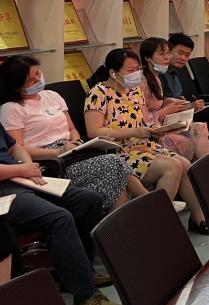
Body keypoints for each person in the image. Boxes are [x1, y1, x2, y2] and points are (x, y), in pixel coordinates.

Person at [0, 121, 123, 305]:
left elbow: (15, 147)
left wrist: (28, 166)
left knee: (89, 201)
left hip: (21, 179)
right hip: (4, 191)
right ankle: (85, 296)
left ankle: (81, 272)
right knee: (59, 218)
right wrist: (21, 170)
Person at [84, 49, 208, 234]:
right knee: (172, 167)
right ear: (113, 73)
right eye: (130, 70)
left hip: (143, 145)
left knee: (185, 165)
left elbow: (142, 121)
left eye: (137, 69)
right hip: (119, 151)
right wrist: (133, 131)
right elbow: (94, 131)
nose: (136, 75)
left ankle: (198, 218)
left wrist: (155, 130)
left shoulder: (135, 90)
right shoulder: (99, 93)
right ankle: (155, 223)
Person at [0, 55, 145, 211]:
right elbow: (17, 148)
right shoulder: (12, 108)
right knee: (114, 162)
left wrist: (77, 143)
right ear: (17, 86)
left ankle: (125, 221)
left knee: (116, 176)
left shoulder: (52, 96)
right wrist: (57, 152)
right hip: (49, 161)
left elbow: (71, 129)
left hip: (73, 151)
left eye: (38, 73)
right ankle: (149, 202)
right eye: (31, 80)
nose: (38, 79)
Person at [139, 37, 209, 162]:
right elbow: (141, 119)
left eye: (168, 53)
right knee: (187, 140)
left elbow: (159, 103)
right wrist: (167, 109)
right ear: (147, 57)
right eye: (162, 54)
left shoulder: (156, 78)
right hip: (150, 131)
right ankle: (199, 169)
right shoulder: (142, 82)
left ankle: (208, 167)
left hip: (162, 123)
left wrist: (169, 102)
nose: (167, 58)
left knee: (200, 127)